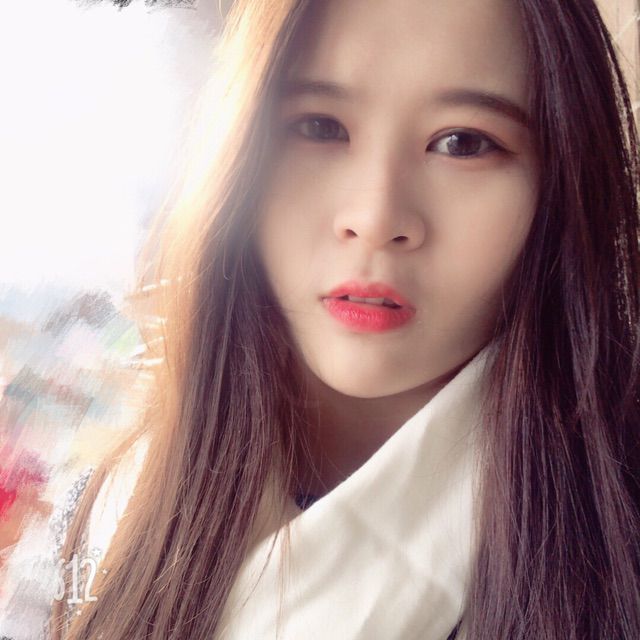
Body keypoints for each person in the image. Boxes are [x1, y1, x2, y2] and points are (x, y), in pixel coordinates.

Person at [49, 0, 640, 638]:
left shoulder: (617, 556)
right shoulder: (108, 520)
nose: (376, 217)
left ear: (560, 187)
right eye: (320, 127)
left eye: (463, 143)